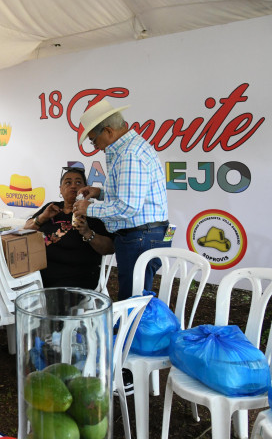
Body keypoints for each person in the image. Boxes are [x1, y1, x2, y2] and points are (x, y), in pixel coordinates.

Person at [73, 100, 170, 300]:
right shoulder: (131, 149)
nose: (95, 146)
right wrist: (99, 193)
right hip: (146, 235)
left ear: (108, 131)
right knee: (137, 296)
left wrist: (88, 208)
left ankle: (132, 332)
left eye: (93, 140)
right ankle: (134, 330)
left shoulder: (129, 155)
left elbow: (128, 207)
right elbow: (131, 196)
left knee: (132, 301)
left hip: (140, 237)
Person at [24, 167, 114, 289]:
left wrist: (88, 233)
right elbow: (25, 229)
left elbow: (109, 248)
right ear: (60, 190)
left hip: (77, 277)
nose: (73, 186)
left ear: (86, 189)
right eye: (68, 182)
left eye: (78, 183)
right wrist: (42, 217)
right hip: (41, 273)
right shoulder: (52, 207)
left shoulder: (92, 212)